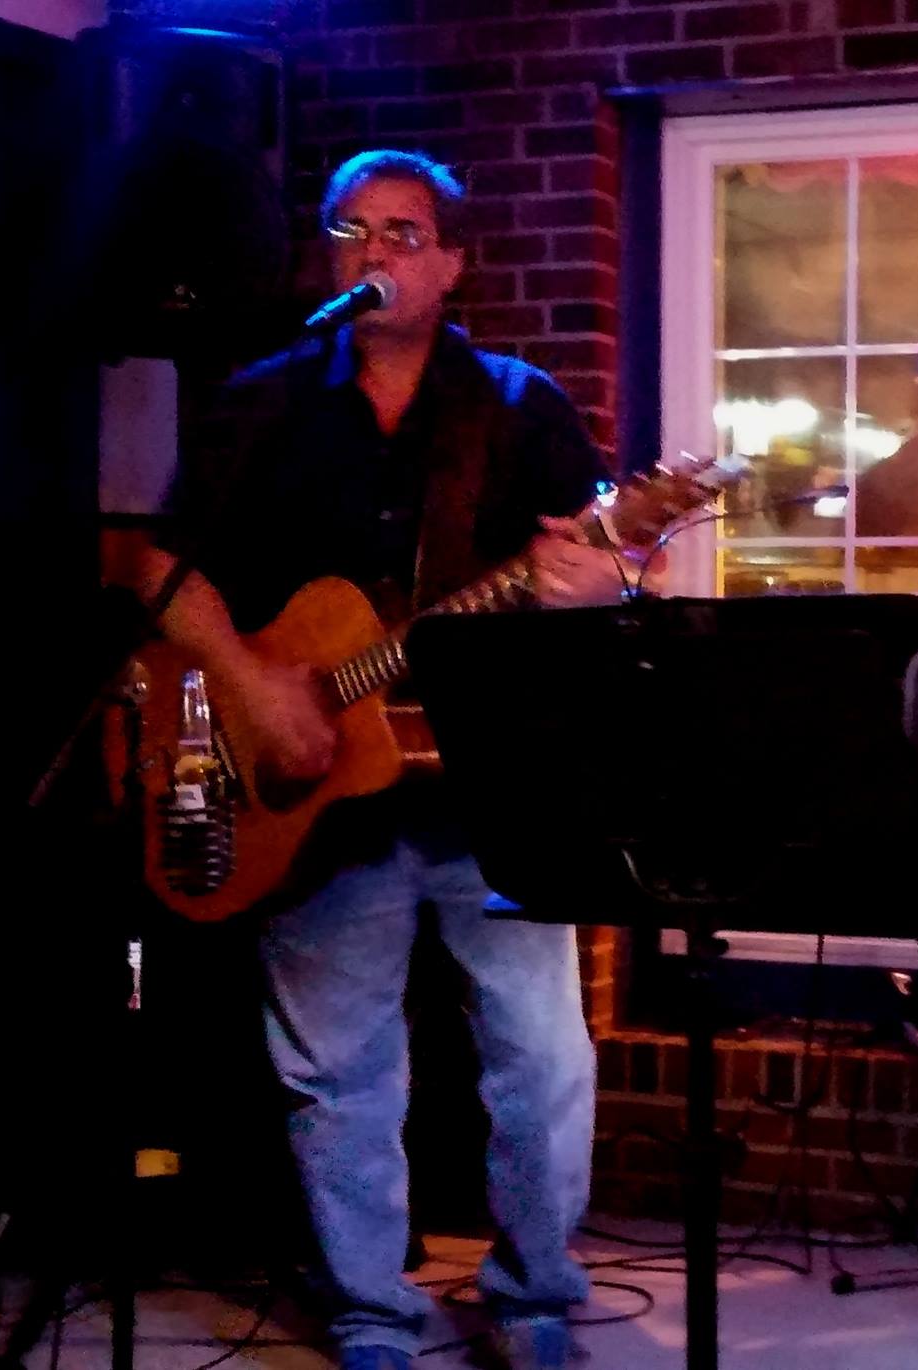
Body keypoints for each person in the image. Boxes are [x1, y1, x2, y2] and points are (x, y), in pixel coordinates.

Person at [139, 149, 633, 1370]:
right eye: (351, 230)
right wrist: (256, 685)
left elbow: (596, 572)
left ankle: (532, 1293)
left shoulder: (518, 407)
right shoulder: (260, 401)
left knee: (540, 1054)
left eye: (405, 233)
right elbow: (156, 571)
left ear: (454, 262)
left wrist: (601, 580)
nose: (375, 252)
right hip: (312, 801)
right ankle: (371, 1308)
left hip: (494, 785)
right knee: (338, 1069)